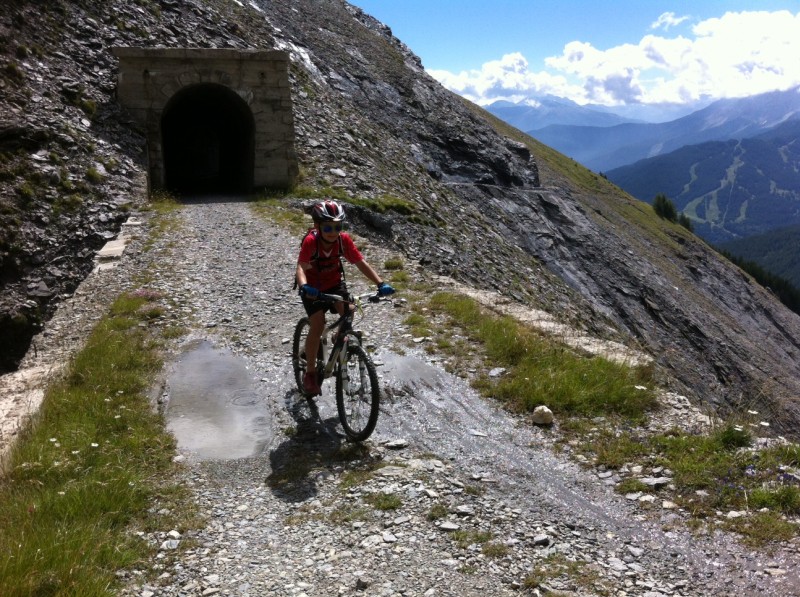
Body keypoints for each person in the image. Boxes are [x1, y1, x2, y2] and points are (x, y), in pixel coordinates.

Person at [295, 199, 395, 395]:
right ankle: (310, 373)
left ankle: (338, 339)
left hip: (334, 284)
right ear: (318, 226)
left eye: (337, 227)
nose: (333, 231)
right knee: (318, 325)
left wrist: (380, 283)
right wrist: (304, 286)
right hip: (312, 287)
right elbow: (301, 267)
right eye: (328, 227)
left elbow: (360, 262)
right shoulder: (311, 242)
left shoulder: (343, 240)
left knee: (349, 311)